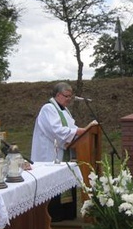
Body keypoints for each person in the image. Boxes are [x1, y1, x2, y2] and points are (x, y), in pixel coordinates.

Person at [31, 81, 96, 221]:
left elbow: (71, 128)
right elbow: (56, 130)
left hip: (64, 153)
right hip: (50, 153)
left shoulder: (64, 110)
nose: (69, 99)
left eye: (70, 96)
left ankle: (67, 213)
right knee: (53, 185)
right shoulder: (48, 109)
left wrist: (80, 132)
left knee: (65, 181)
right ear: (58, 94)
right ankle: (55, 216)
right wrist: (80, 131)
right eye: (67, 96)